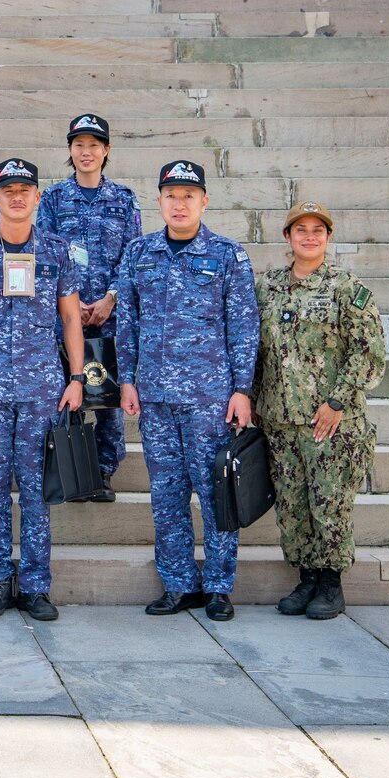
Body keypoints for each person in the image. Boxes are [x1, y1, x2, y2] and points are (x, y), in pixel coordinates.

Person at [116, 160, 259, 623]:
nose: (179, 204)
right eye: (171, 196)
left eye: (188, 196)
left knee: (217, 493)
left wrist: (242, 389)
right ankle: (178, 584)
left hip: (210, 398)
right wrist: (128, 381)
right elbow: (128, 324)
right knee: (167, 494)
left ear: (204, 202)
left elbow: (243, 326)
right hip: (156, 399)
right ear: (159, 201)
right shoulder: (139, 253)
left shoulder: (227, 255)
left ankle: (218, 586)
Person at [0, 159, 86, 622]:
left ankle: (36, 585)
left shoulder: (57, 251)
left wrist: (77, 377)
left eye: (26, 189)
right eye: (8, 189)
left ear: (38, 197)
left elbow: (70, 318)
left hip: (42, 386)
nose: (17, 196)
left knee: (37, 491)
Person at [254, 201, 386, 621]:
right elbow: (256, 351)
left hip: (330, 422)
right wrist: (255, 398)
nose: (309, 236)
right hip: (279, 418)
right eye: (300, 229)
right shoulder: (268, 287)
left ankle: (331, 584)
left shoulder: (347, 288)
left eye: (318, 230)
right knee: (293, 505)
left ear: (328, 237)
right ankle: (306, 578)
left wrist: (336, 402)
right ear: (287, 237)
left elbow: (369, 354)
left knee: (329, 503)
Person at [36, 114, 142, 501]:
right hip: (66, 315)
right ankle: (70, 466)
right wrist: (71, 301)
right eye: (79, 145)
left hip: (109, 315)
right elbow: (43, 253)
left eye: (94, 145)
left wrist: (111, 297)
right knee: (68, 390)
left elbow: (133, 257)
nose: (86, 152)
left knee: (109, 400)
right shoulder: (52, 199)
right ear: (70, 150)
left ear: (107, 150)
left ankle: (102, 471)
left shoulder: (124, 199)